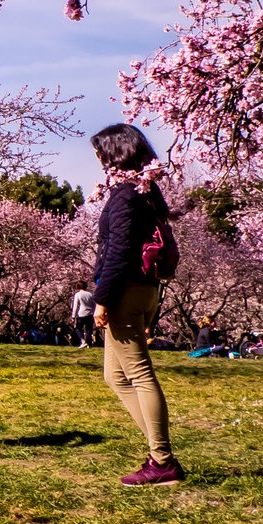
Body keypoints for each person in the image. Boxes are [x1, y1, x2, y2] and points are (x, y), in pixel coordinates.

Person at [89, 123, 185, 487]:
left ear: (116, 153)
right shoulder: (146, 193)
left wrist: (102, 299)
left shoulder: (127, 196)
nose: (99, 160)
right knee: (115, 377)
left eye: (101, 153)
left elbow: (119, 252)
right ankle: (159, 451)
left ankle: (162, 460)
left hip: (125, 290)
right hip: (143, 288)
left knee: (140, 374)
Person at [71, 281, 97, 348]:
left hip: (81, 314)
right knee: (89, 329)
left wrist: (73, 316)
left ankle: (83, 341)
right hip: (90, 314)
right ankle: (89, 344)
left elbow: (75, 306)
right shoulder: (90, 294)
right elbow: (94, 304)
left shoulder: (78, 294)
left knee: (78, 328)